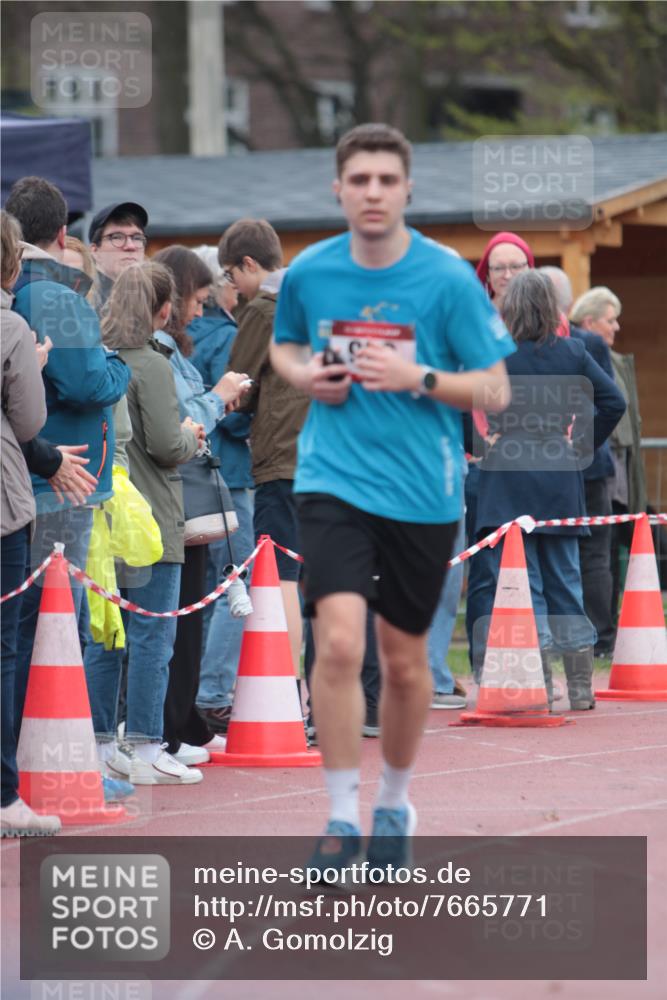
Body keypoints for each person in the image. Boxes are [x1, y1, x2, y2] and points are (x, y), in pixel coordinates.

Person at [269, 122, 514, 873]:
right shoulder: (310, 271)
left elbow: (497, 391)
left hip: (422, 491)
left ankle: (394, 803)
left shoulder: (443, 279)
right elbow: (283, 344)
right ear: (337, 190)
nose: (372, 192)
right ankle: (341, 817)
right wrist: (306, 376)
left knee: (404, 664)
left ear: (406, 189)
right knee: (339, 643)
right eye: (358, 179)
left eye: (385, 179)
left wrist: (420, 380)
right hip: (332, 480)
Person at [5, 177, 131, 742]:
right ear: (63, 233)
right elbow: (87, 382)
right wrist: (118, 363)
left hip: (35, 472)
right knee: (55, 622)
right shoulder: (53, 294)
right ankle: (51, 757)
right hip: (61, 477)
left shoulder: (22, 289)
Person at [476, 271, 626, 709]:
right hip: (560, 474)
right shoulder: (575, 352)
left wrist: (485, 439)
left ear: (510, 311)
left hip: (506, 477)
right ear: (551, 310)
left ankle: (540, 684)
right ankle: (580, 689)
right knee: (566, 581)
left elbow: (463, 404)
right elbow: (614, 402)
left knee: (529, 585)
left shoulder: (495, 356)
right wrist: (581, 443)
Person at [83, 262, 205, 785]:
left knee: (109, 634)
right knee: (155, 635)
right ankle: (147, 743)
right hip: (153, 515)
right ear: (162, 309)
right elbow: (164, 445)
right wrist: (191, 433)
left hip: (111, 513)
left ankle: (101, 739)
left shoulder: (102, 357)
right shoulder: (152, 366)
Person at [151, 245, 250, 763]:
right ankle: (166, 729)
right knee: (175, 619)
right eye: (198, 298)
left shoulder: (172, 350)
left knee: (186, 615)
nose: (201, 308)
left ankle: (182, 720)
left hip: (182, 496)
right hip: (175, 497)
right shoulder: (161, 353)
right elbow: (185, 424)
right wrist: (221, 394)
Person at [222, 219, 310, 685]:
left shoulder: (265, 309)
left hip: (285, 458)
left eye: (233, 276)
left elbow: (237, 384)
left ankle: (285, 693)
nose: (232, 289)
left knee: (282, 580)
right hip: (335, 460)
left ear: (249, 264)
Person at [188, 248, 255, 736]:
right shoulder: (229, 336)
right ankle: (213, 692)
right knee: (235, 582)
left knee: (202, 588)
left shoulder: (182, 337)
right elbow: (230, 414)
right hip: (230, 471)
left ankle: (196, 692)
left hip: (192, 478)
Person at [465, 232, 536, 679]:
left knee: (536, 570)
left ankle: (529, 665)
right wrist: (476, 446)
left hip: (536, 464)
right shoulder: (472, 324)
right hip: (484, 464)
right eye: (499, 267)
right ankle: (482, 664)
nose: (508, 275)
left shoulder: (552, 325)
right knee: (486, 570)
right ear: (486, 277)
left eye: (516, 266)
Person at [540, 267, 619, 656]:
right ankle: (590, 642)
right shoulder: (564, 345)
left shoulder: (585, 343)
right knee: (578, 556)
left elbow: (603, 398)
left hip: (585, 462)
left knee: (587, 555)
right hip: (566, 462)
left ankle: (599, 638)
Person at [569, 286, 647, 628]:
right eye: (610, 320)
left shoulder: (602, 352)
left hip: (604, 464)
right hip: (600, 464)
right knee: (597, 554)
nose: (616, 327)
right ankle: (600, 633)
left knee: (598, 551)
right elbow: (612, 407)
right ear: (590, 320)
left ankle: (598, 631)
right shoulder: (590, 348)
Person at [88, 201, 149, 311]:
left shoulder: (155, 299)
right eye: (117, 237)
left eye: (137, 238)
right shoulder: (83, 303)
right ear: (95, 251)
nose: (130, 246)